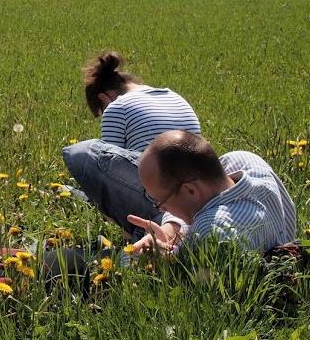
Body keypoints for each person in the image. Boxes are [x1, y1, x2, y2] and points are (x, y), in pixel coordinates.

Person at [63, 51, 201, 240]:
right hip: (196, 193)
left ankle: (139, 232)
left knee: (82, 156)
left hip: (158, 194)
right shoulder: (177, 98)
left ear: (104, 99)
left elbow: (109, 170)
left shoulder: (116, 108)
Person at [128, 130, 296, 254]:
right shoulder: (245, 161)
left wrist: (154, 256)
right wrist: (172, 227)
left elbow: (179, 274)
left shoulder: (210, 231)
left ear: (190, 190)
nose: (163, 210)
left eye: (161, 203)